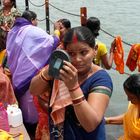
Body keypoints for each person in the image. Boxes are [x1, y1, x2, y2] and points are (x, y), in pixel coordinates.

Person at [29, 26, 113, 140]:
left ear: (95, 50)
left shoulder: (101, 79)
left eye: (83, 52)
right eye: (71, 54)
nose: (78, 59)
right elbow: (34, 90)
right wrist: (49, 72)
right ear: (65, 52)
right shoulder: (62, 69)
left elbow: (91, 124)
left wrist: (73, 87)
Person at [6, 10, 60, 139]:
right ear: (33, 20)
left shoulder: (13, 31)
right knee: (32, 102)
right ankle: (33, 128)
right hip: (29, 75)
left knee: (25, 104)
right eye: (36, 21)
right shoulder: (32, 30)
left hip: (18, 72)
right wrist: (57, 31)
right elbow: (51, 42)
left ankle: (26, 126)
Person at [105, 73, 140, 140]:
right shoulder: (136, 105)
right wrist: (107, 120)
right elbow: (128, 117)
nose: (128, 99)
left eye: (132, 97)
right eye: (128, 96)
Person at [0, 0, 21, 65]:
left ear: (12, 2)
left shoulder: (15, 12)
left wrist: (9, 29)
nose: (3, 0)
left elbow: (19, 25)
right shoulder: (1, 11)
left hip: (10, 35)